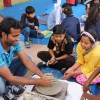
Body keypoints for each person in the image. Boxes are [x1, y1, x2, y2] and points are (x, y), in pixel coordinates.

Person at [0, 17, 52, 100]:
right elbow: (10, 77)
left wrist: (42, 76)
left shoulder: (14, 42)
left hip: (5, 67)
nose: (18, 39)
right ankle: (6, 92)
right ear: (3, 34)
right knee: (1, 87)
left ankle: (11, 86)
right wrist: (38, 81)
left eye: (18, 35)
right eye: (14, 36)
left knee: (29, 58)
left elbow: (26, 60)